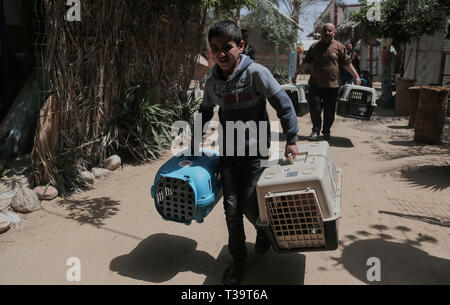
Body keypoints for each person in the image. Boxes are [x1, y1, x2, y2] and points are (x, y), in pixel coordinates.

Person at [196, 20, 299, 285]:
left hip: (256, 154)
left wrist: (292, 139)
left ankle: (263, 232)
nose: (220, 54)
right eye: (214, 48)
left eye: (226, 47)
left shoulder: (256, 73)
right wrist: (196, 138)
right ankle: (238, 259)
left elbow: (283, 104)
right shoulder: (212, 82)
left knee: (251, 204)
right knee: (232, 208)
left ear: (240, 46)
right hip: (228, 154)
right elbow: (206, 110)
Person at [291, 23, 361, 141]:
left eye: (330, 31)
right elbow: (306, 62)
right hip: (315, 84)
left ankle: (326, 131)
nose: (327, 33)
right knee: (315, 109)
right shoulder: (314, 47)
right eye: (325, 30)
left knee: (329, 111)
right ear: (321, 32)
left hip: (332, 86)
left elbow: (347, 63)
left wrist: (356, 76)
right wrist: (296, 73)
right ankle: (315, 130)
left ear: (334, 33)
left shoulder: (339, 47)